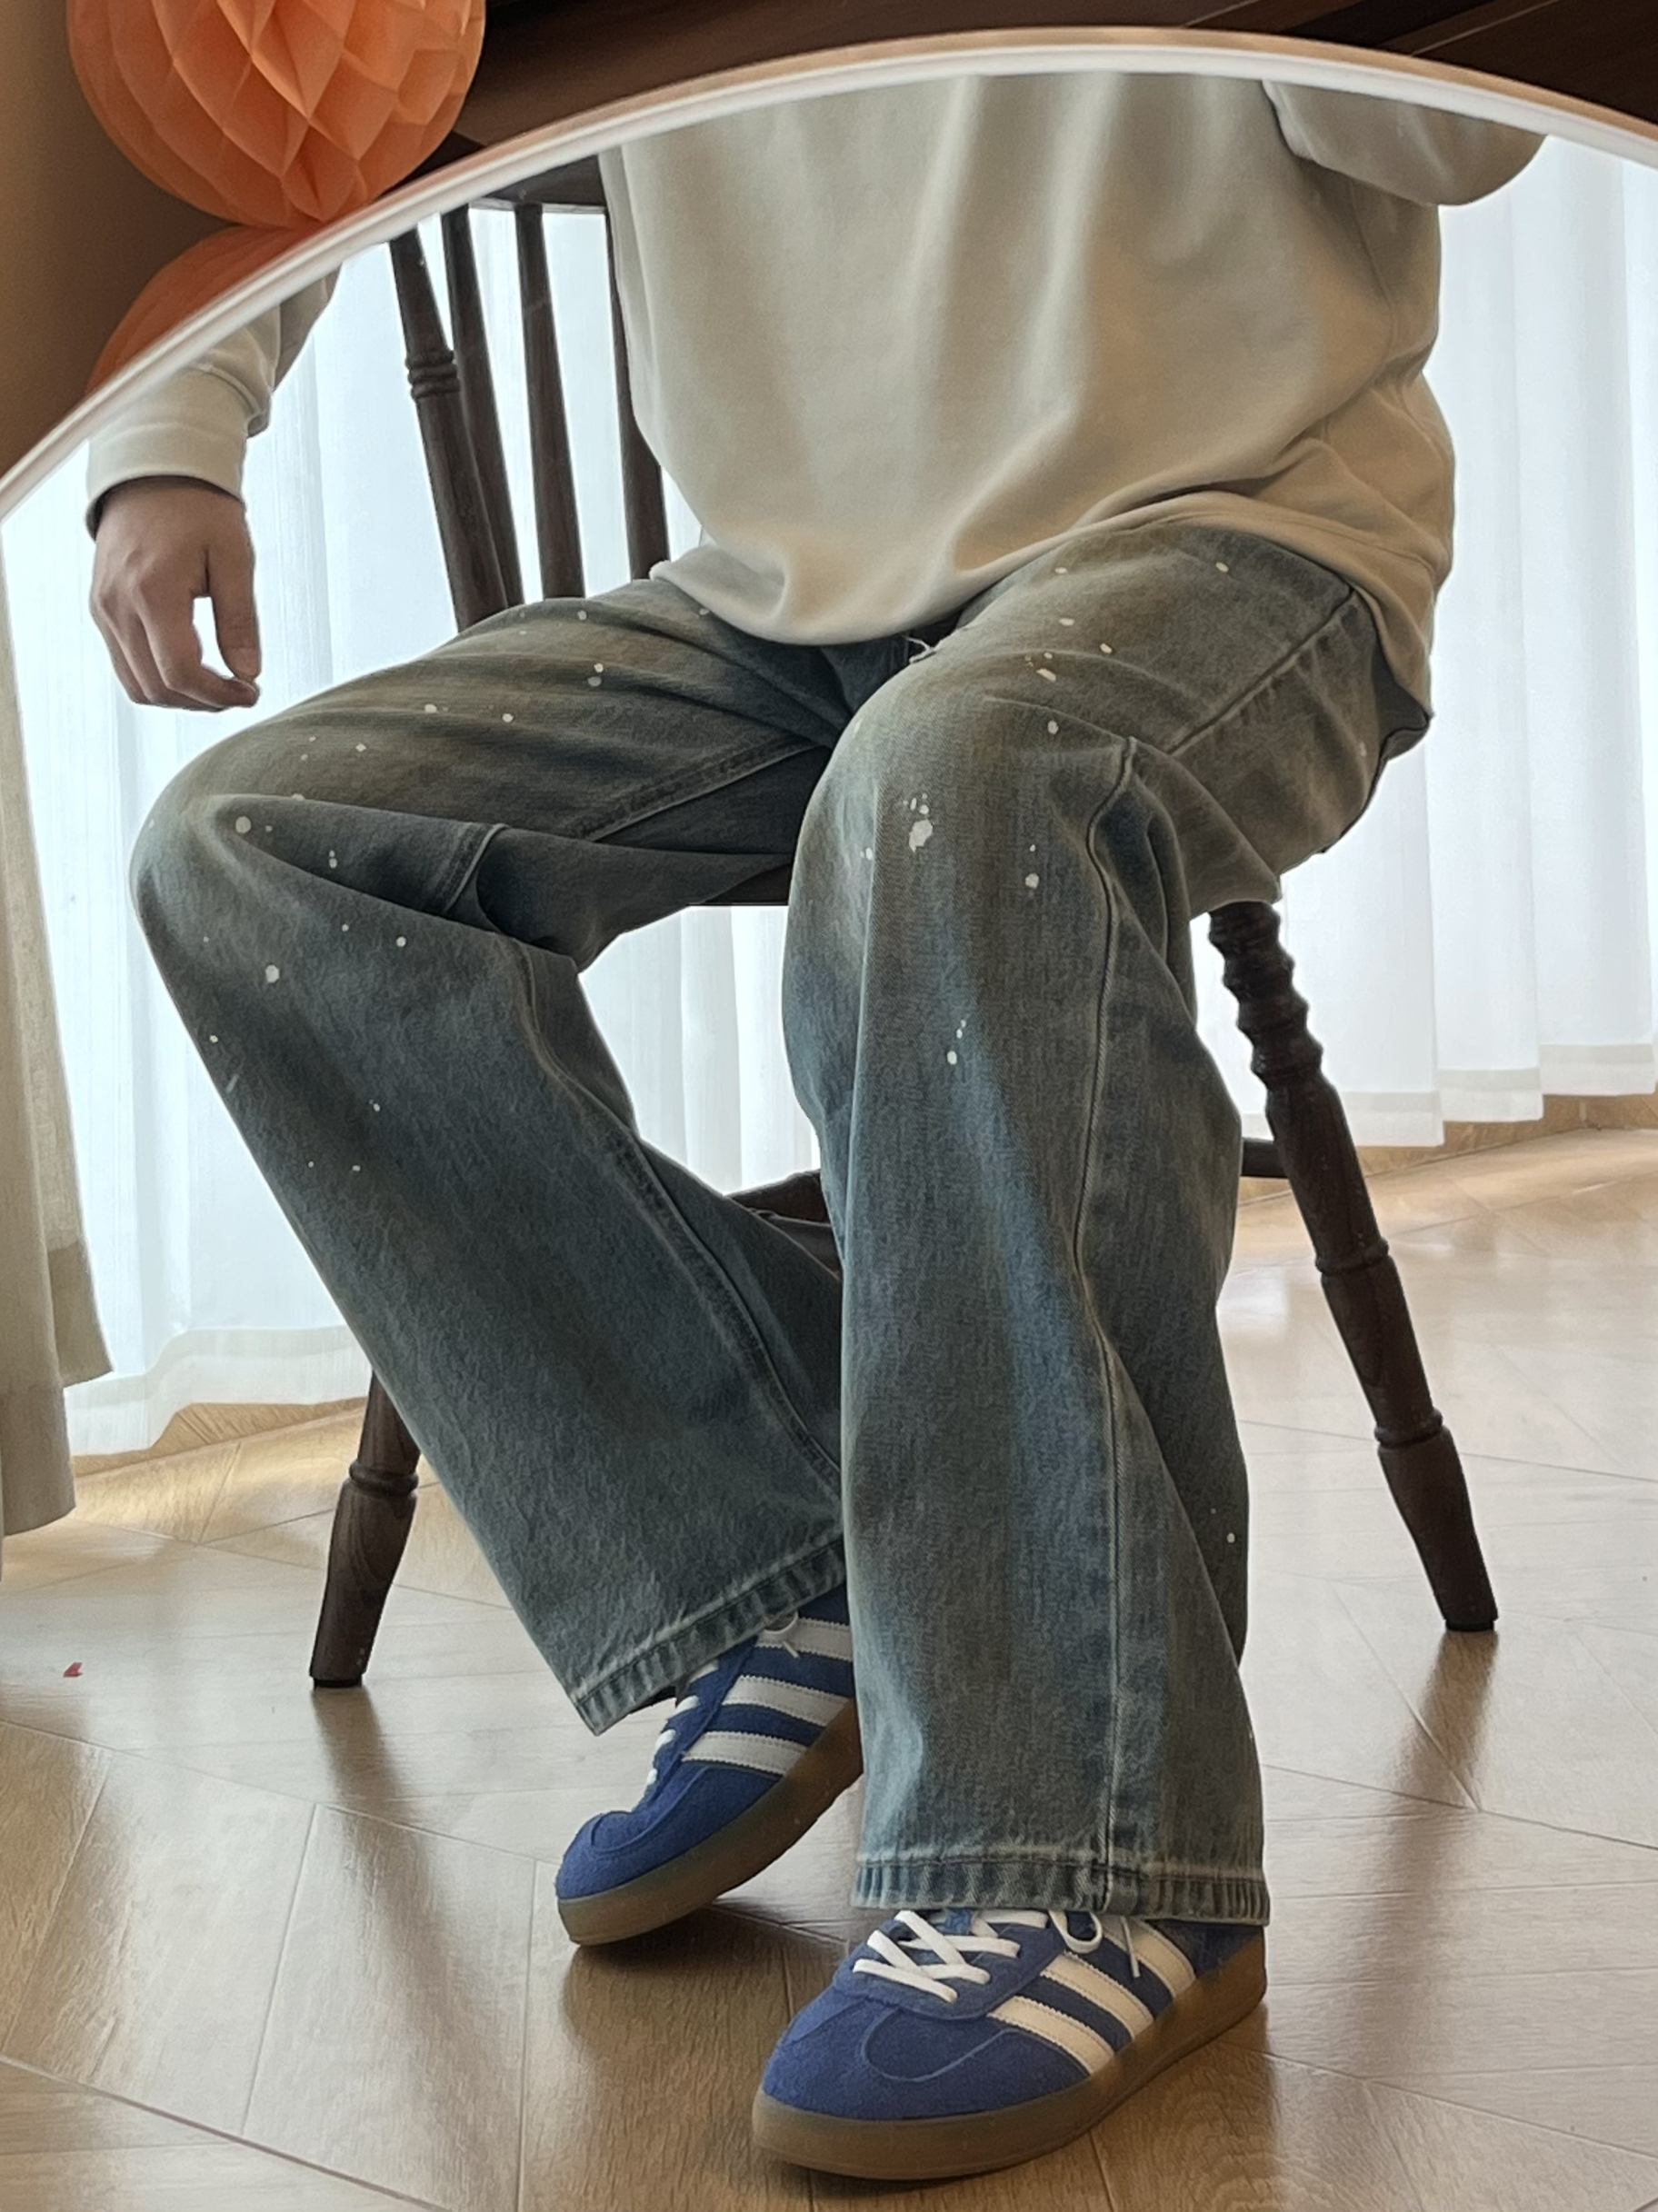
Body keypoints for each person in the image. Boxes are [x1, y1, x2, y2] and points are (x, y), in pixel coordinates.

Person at [86, 70, 1541, 2183]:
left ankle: (1090, 1840)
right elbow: (310, 81)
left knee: (957, 782)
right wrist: (169, 427)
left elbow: (1460, 134)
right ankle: (791, 1551)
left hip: (1243, 534)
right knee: (252, 851)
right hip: (783, 610)